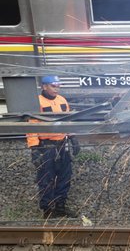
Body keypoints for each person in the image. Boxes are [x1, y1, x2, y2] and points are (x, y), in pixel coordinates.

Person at [27, 76, 79, 219]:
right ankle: (48, 210)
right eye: (53, 85)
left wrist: (73, 137)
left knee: (64, 177)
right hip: (45, 146)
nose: (57, 88)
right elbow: (31, 126)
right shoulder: (37, 102)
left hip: (62, 144)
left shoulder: (62, 100)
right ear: (44, 87)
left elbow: (67, 121)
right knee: (46, 178)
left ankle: (60, 207)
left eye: (58, 85)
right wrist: (34, 148)